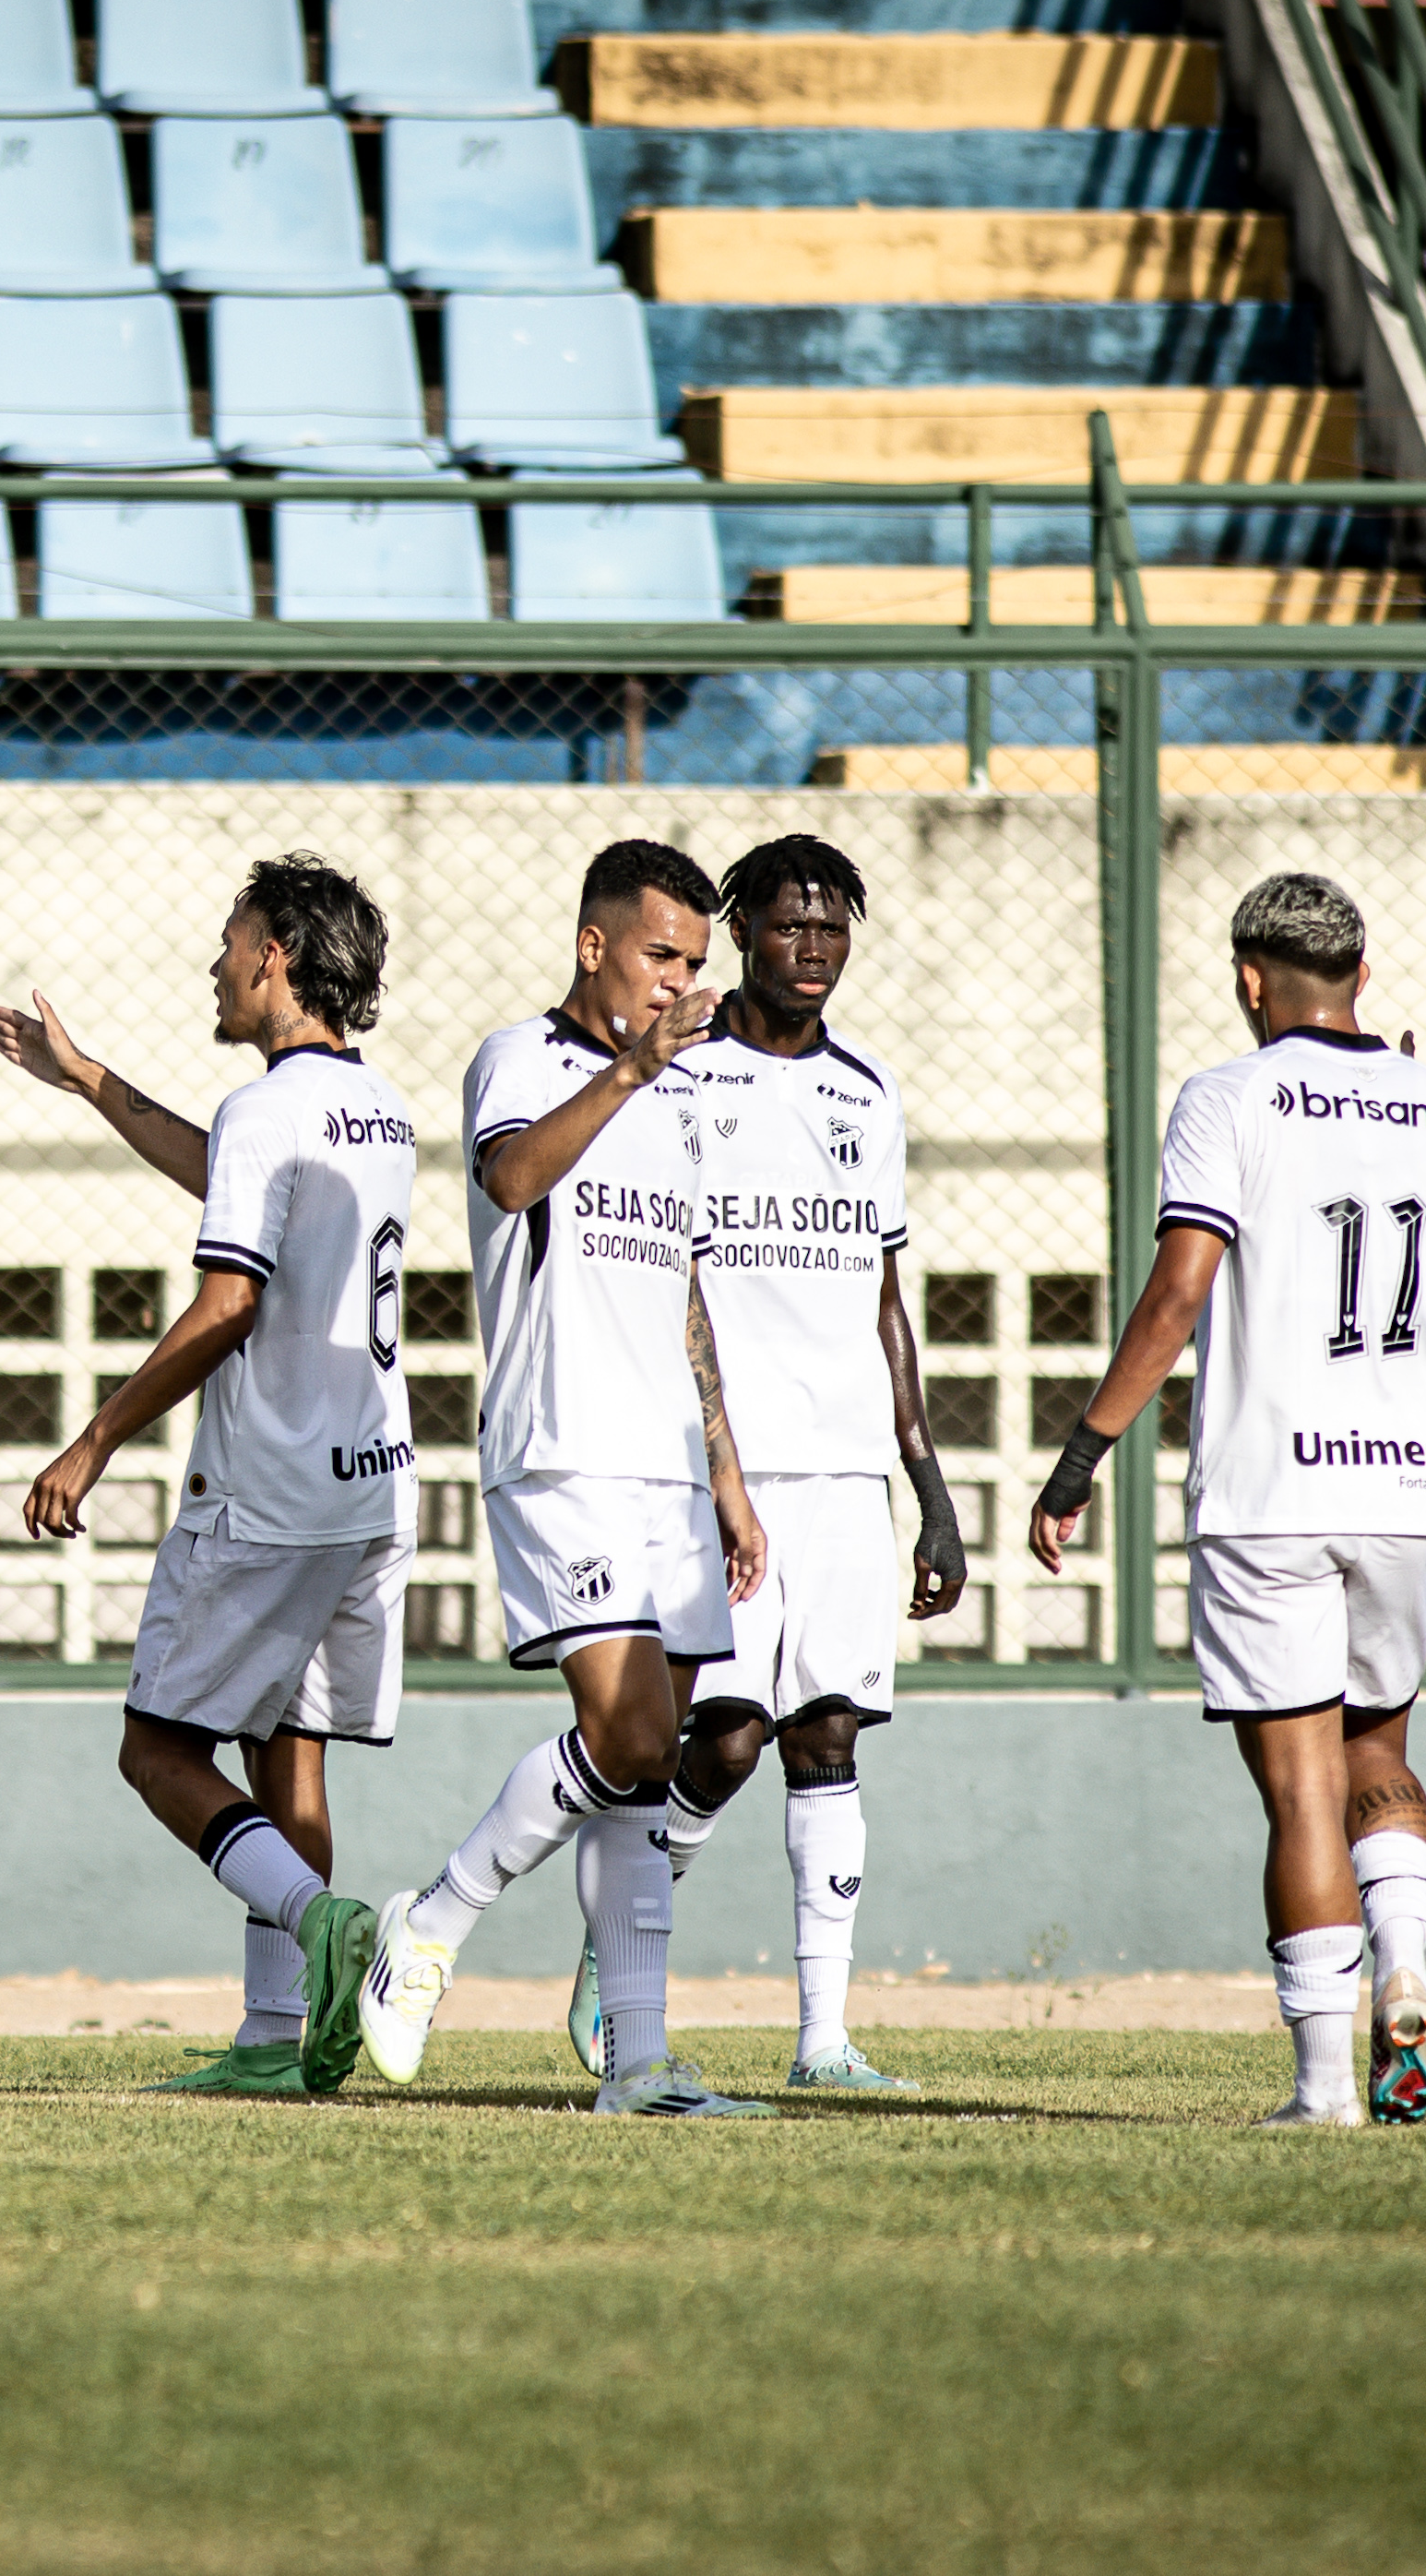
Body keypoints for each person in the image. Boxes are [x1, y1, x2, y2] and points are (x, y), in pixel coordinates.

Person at [1031, 875, 1426, 2126]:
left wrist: (1083, 1452)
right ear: (1361, 969)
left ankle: (1320, 2087)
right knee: (1378, 1753)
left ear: (1249, 978)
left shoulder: (1226, 1096)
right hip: (1405, 1482)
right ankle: (1403, 1951)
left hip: (1271, 1488)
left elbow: (1181, 1290)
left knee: (1299, 1789)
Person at [355, 841, 771, 2117]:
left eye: (696, 964)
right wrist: (634, 1069)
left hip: (664, 1466)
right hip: (560, 1446)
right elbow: (509, 1174)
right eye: (661, 955)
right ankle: (434, 1913)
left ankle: (638, 2064)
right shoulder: (517, 1058)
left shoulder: (690, 1095)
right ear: (594, 946)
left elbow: (684, 1294)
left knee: (650, 1766)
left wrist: (728, 1473)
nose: (678, 984)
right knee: (631, 1733)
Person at [0, 855, 407, 2097]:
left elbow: (229, 1302)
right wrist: (91, 1080)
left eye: (229, 941)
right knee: (292, 1754)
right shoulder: (371, 1108)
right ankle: (281, 2035)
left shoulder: (266, 1109)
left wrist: (95, 1437)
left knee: (157, 1752)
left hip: (265, 1490)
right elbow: (232, 1168)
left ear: (274, 951)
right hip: (366, 1482)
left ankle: (322, 1928)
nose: (214, 964)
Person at [570, 835, 968, 2097]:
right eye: (789, 923)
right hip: (723, 1471)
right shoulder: (683, 1074)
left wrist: (930, 1487)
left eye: (832, 926)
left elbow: (887, 1298)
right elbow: (658, 1271)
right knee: (727, 1732)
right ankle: (619, 1944)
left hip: (848, 1472)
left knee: (830, 1733)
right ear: (741, 929)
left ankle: (823, 2039)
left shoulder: (868, 1091)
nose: (812, 946)